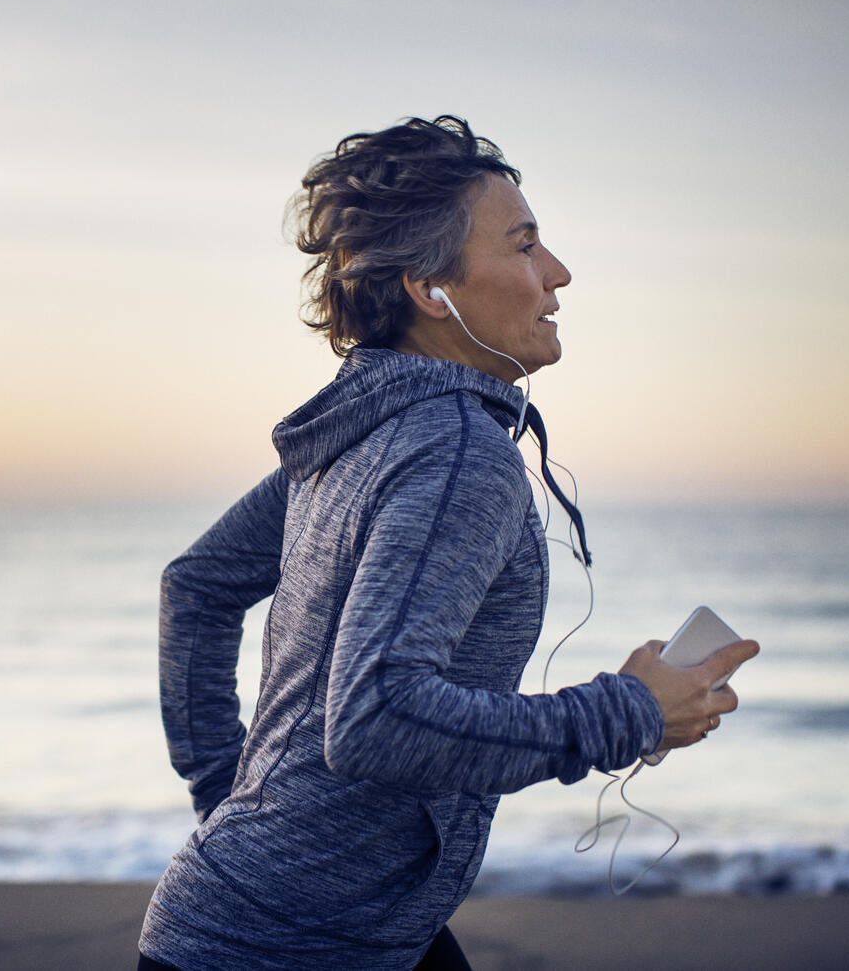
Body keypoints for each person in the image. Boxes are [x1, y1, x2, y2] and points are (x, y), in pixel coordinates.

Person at [137, 116, 758, 971]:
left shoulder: (366, 433)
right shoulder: (458, 452)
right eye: (527, 244)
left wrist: (234, 804)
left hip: (334, 924)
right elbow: (376, 715)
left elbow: (195, 585)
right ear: (432, 288)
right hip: (284, 949)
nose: (559, 273)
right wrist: (629, 711)